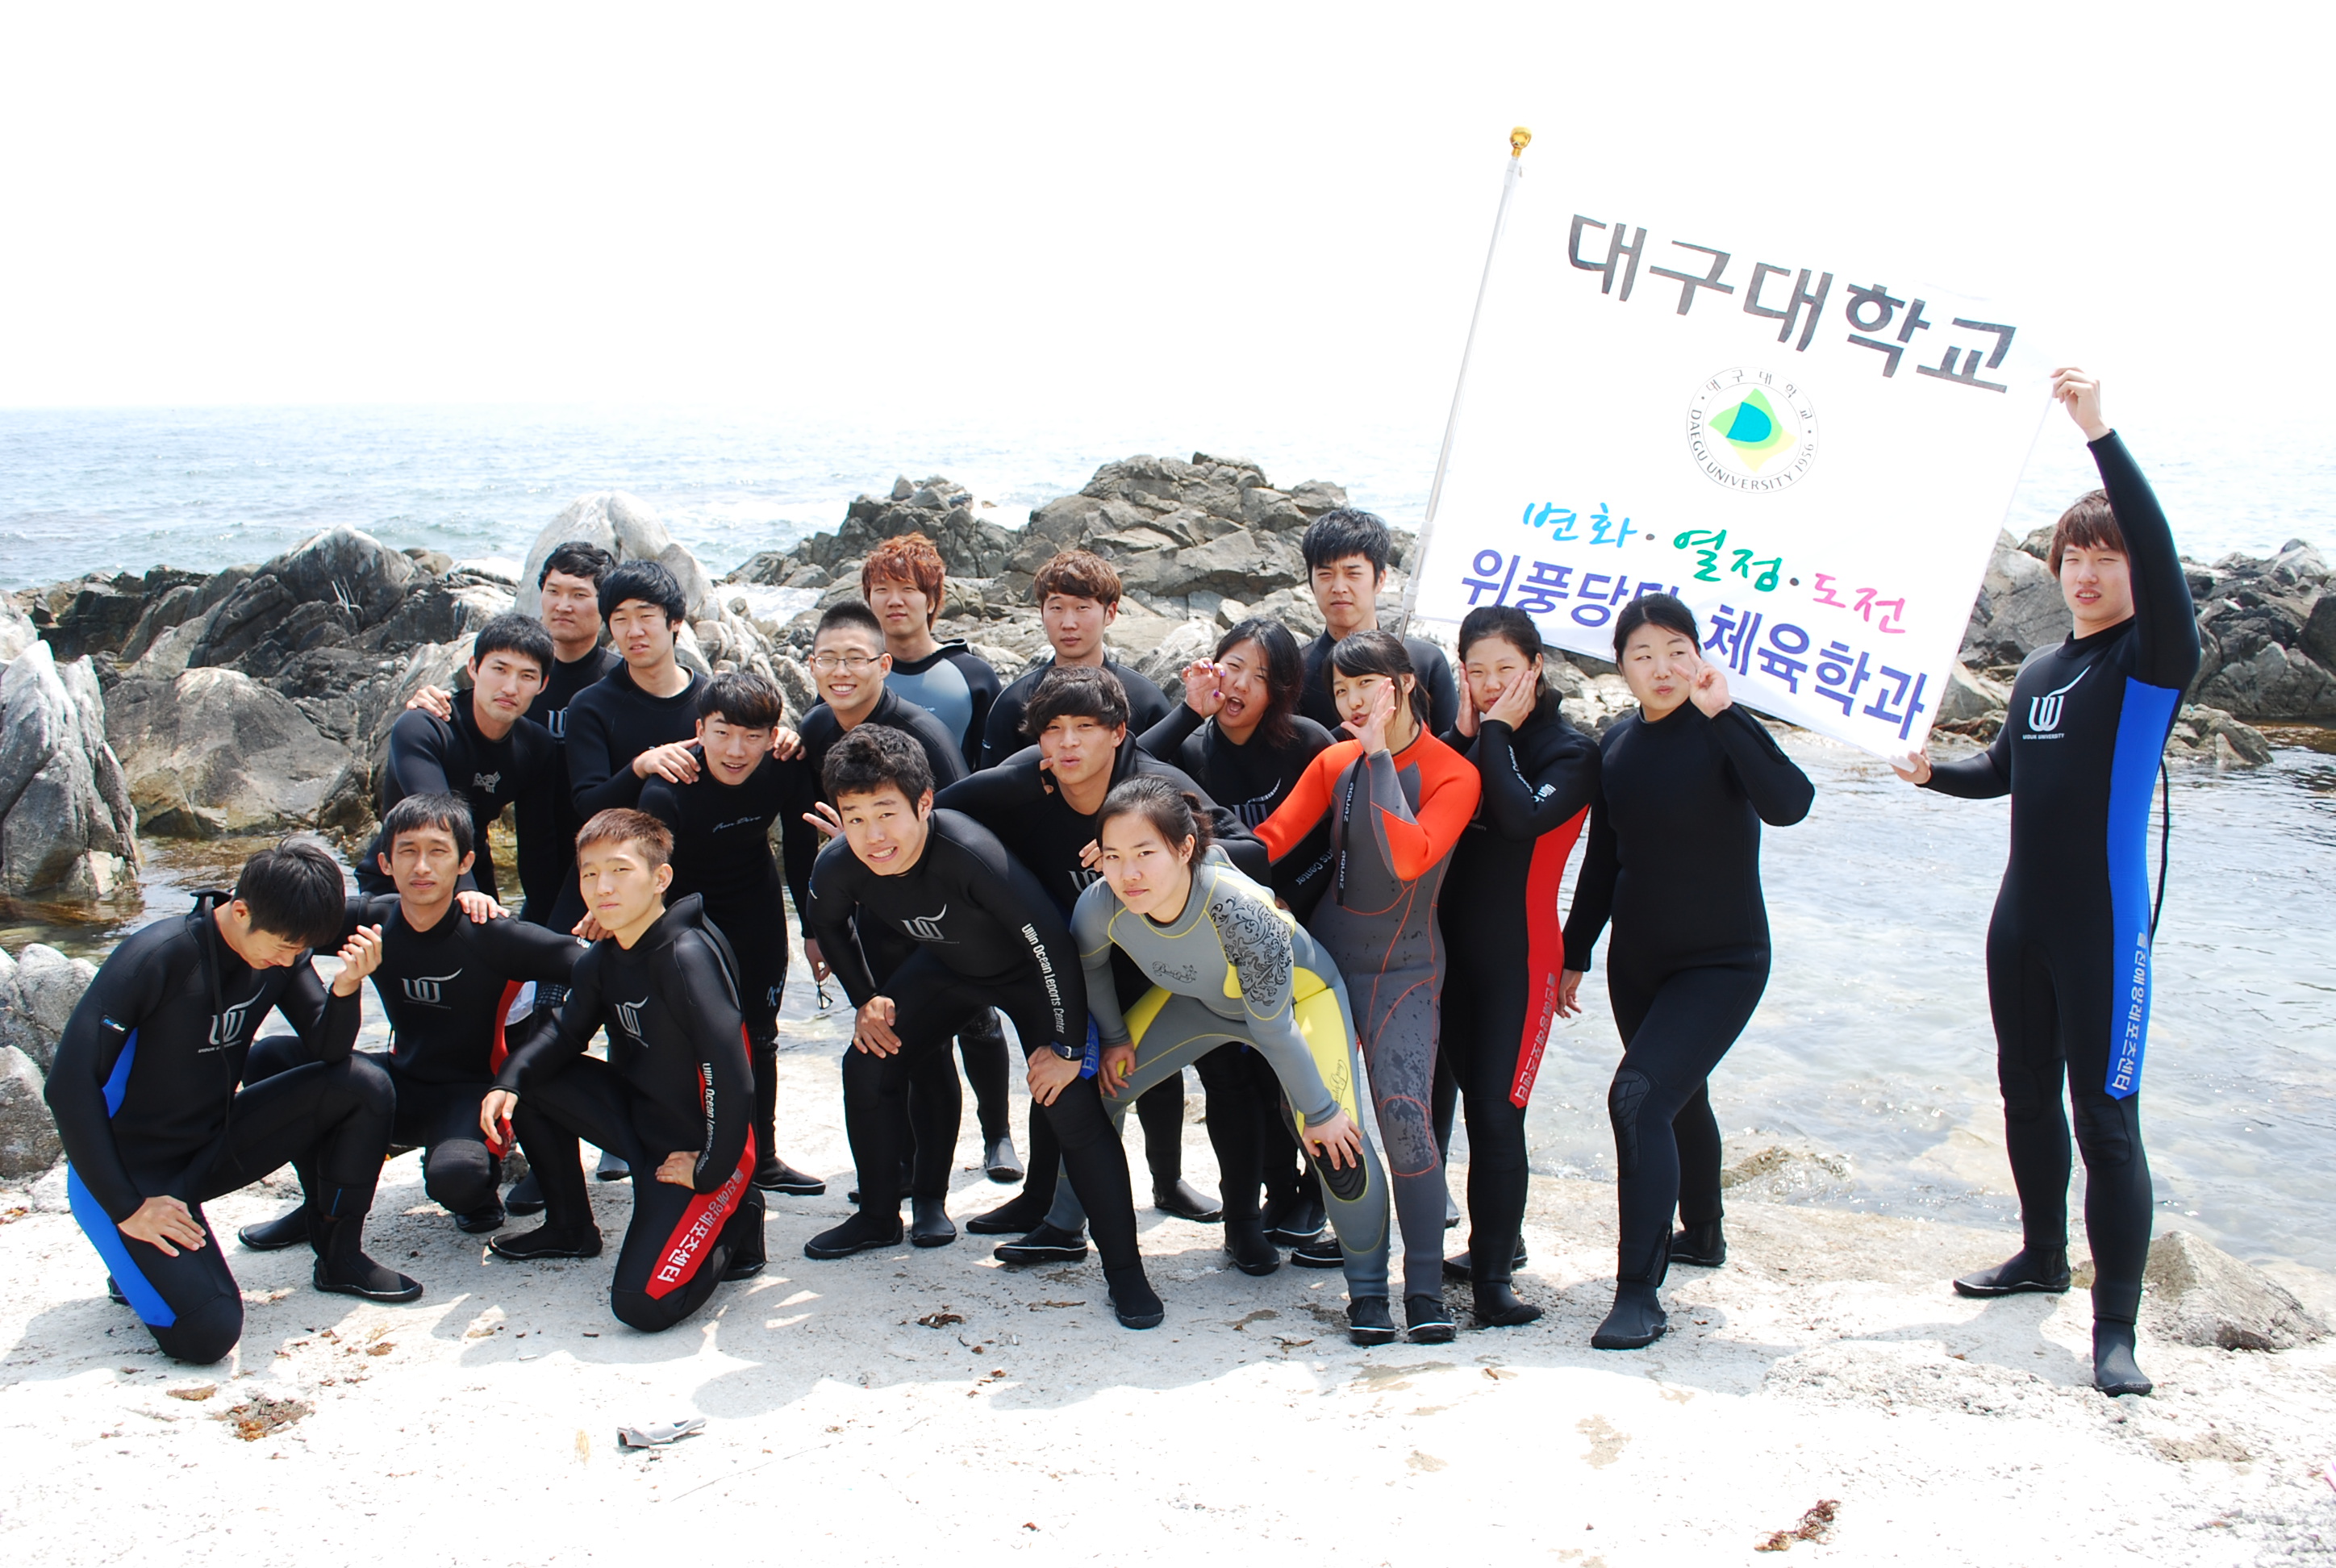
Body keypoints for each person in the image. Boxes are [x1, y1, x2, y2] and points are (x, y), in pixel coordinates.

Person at [1892, 369, 2199, 1399]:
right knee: (2023, 1092)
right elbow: (2003, 774)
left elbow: (2159, 552)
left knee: (2105, 1119)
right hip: (2020, 918)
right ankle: (2040, 1255)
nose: (2086, 574)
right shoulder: (2038, 671)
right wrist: (1932, 773)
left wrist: (2098, 432)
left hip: (2103, 925)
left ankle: (2116, 1330)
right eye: (2073, 557)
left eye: (2107, 559)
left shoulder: (2152, 660)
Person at [800, 726, 1166, 1330]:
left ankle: (1125, 1271)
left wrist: (1067, 1046)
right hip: (947, 968)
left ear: (924, 803)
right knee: (867, 1062)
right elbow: (828, 924)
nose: (874, 836)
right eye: (856, 818)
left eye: (887, 813)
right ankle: (877, 1217)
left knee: (1069, 1101)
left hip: (1031, 974)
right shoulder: (842, 863)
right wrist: (865, 999)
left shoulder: (968, 853)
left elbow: (1050, 944)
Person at [46, 840, 420, 1363]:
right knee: (207, 1334)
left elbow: (327, 1049)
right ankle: (131, 1259)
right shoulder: (156, 957)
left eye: (301, 950)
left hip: (210, 1147)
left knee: (363, 1085)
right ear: (240, 911)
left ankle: (340, 1259)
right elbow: (68, 1086)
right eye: (285, 947)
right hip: (132, 1175)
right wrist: (128, 1208)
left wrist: (347, 987)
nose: (289, 961)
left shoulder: (280, 949)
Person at [934, 664, 1262, 1258]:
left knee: (1227, 1074)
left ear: (1116, 733)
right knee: (1060, 1067)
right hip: (1088, 965)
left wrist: (1146, 854)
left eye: (1084, 727)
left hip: (1179, 965)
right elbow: (936, 818)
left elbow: (1252, 853)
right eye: (1052, 729)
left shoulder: (1154, 787)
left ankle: (1242, 1222)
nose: (1067, 743)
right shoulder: (1026, 781)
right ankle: (1051, 1212)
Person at [1559, 593, 1813, 1351]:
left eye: (1676, 651)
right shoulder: (1616, 745)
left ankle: (1639, 1293)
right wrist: (1574, 952)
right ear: (1621, 666)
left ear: (1699, 657)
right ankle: (1702, 1231)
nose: (1662, 667)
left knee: (1638, 1098)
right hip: (1638, 964)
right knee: (1676, 1095)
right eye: (1643, 655)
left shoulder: (1723, 729)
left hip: (1724, 961)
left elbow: (1791, 804)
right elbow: (1605, 859)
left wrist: (1728, 714)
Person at [1077, 778, 1400, 1341]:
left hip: (1299, 1005)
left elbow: (1272, 1029)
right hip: (1199, 1002)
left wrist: (1321, 1112)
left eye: (1145, 853)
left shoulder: (1239, 909)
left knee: (1337, 1146)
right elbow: (1091, 965)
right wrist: (1115, 1037)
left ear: (1185, 848)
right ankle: (1063, 1225)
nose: (1128, 874)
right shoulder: (1101, 904)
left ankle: (1370, 1294)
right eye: (1113, 856)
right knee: (1096, 1096)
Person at [236, 794, 589, 1249]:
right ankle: (317, 1205)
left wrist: (607, 923)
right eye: (407, 851)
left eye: (438, 851)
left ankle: (479, 1192)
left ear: (465, 862)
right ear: (386, 862)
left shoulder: (492, 933)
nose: (422, 866)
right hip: (391, 1085)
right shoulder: (370, 920)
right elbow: (278, 921)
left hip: (470, 1096)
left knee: (456, 1180)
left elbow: (591, 967)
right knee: (270, 1058)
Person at [1258, 631, 1481, 1343]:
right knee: (1319, 1118)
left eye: (1366, 686)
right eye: (1341, 689)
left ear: (1404, 684)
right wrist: (1174, 846)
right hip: (1327, 968)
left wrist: (1380, 755)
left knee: (1407, 1120)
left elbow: (1409, 858)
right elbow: (1269, 839)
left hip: (1404, 970)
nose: (1352, 702)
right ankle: (1365, 1287)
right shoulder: (1334, 762)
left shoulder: (1453, 774)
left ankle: (1424, 1289)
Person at [482, 810, 766, 1333]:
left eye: (619, 870)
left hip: (697, 1150)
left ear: (660, 878)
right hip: (637, 1123)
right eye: (590, 873)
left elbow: (732, 1076)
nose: (602, 887)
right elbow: (565, 1034)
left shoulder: (686, 957)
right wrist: (508, 1082)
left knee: (643, 1304)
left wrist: (711, 1168)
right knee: (532, 1081)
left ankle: (737, 1218)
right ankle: (569, 1227)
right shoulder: (603, 959)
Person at [777, 603, 1002, 1184]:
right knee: (890, 1038)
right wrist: (813, 926)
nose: (841, 672)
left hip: (942, 914)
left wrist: (864, 842)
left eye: (855, 658)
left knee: (948, 1039)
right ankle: (901, 1167)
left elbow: (963, 831)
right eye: (828, 659)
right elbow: (802, 838)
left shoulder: (921, 735)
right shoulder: (816, 730)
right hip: (870, 912)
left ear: (883, 665)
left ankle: (977, 1147)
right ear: (811, 665)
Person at [1137, 616, 1341, 1248]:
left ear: (1281, 688)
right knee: (1237, 1073)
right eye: (1232, 667)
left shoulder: (1307, 742)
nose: (1241, 685)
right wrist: (1185, 710)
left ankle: (1313, 1193)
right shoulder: (1192, 750)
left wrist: (1284, 897)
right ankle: (1267, 1198)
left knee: (1298, 1066)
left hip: (1300, 920)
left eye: (1261, 675)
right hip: (1216, 935)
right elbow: (1127, 767)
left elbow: (1335, 845)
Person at [1434, 605, 1600, 1328]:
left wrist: (1494, 733)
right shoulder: (1467, 741)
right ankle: (1500, 1241)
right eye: (1477, 672)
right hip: (1447, 957)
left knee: (1499, 1117)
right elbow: (1417, 799)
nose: (1492, 684)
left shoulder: (1572, 752)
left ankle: (1495, 1282)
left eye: (1507, 668)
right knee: (1471, 1106)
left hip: (1520, 962)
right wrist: (1462, 736)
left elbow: (1519, 818)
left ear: (1536, 667)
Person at [638, 671, 825, 1197]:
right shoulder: (667, 788)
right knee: (686, 1041)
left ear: (772, 736)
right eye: (722, 733)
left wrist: (813, 929)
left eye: (752, 736)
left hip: (755, 910)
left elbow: (800, 851)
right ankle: (687, 1153)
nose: (736, 751)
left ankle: (762, 1158)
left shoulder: (784, 767)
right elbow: (647, 878)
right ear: (699, 730)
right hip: (685, 921)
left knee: (761, 1038)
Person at [405, 540, 621, 931]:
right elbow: (461, 723)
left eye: (578, 595)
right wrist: (424, 705)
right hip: (512, 852)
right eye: (553, 591)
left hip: (602, 852)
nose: (563, 605)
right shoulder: (508, 684)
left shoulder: (620, 683)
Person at [357, 614, 557, 905]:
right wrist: (467, 893)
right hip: (400, 880)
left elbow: (538, 848)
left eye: (527, 676)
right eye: (499, 669)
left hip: (473, 873)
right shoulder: (424, 727)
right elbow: (436, 819)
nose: (510, 687)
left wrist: (546, 921)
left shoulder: (536, 747)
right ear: (473, 667)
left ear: (542, 684)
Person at [979, 549, 1174, 767]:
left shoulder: (1145, 701)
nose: (1068, 623)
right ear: (1042, 612)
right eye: (1057, 608)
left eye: (1082, 607)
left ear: (1110, 613)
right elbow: (990, 784)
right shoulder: (1013, 703)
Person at [1295, 509, 1459, 736]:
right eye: (1325, 575)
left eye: (1353, 574)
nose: (1339, 587)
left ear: (1380, 579)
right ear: (1311, 582)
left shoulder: (1425, 661)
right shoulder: (1295, 670)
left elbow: (1452, 748)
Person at [862, 531, 1001, 773]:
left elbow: (998, 769)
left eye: (908, 588)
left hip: (954, 799)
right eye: (882, 589)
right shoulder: (855, 673)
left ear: (931, 601)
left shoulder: (974, 677)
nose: (894, 601)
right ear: (869, 600)